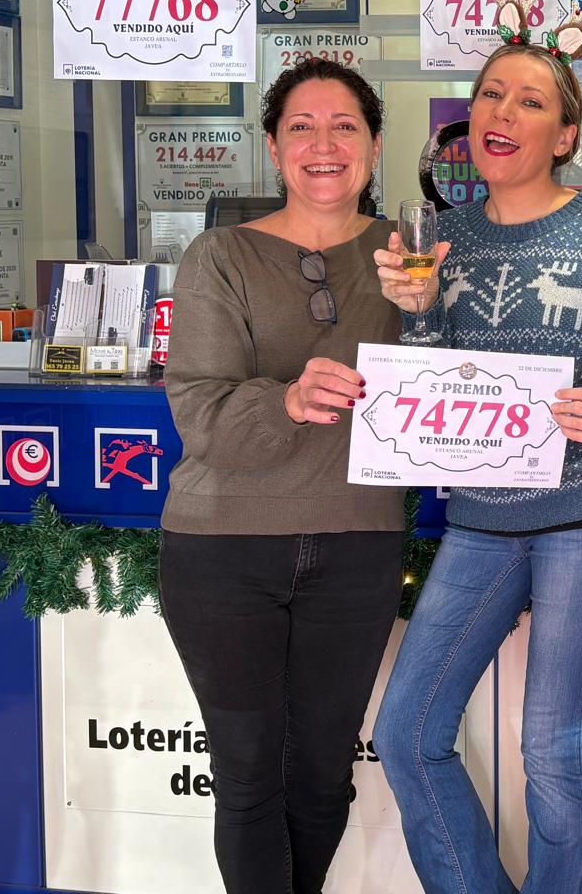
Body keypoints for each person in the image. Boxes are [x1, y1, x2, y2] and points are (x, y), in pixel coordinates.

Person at [371, 40, 582, 894]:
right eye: (491, 95)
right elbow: (434, 391)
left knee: (551, 741)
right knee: (405, 730)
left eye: (530, 101)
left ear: (566, 134)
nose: (503, 113)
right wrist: (417, 314)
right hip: (483, 518)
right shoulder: (443, 238)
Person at [159, 58, 402, 894]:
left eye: (345, 127)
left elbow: (461, 396)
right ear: (273, 147)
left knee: (321, 772)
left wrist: (433, 309)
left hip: (358, 549)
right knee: (250, 774)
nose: (324, 144)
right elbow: (197, 410)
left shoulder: (415, 262)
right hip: (220, 551)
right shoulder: (220, 254)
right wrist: (290, 401)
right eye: (302, 126)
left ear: (374, 144)